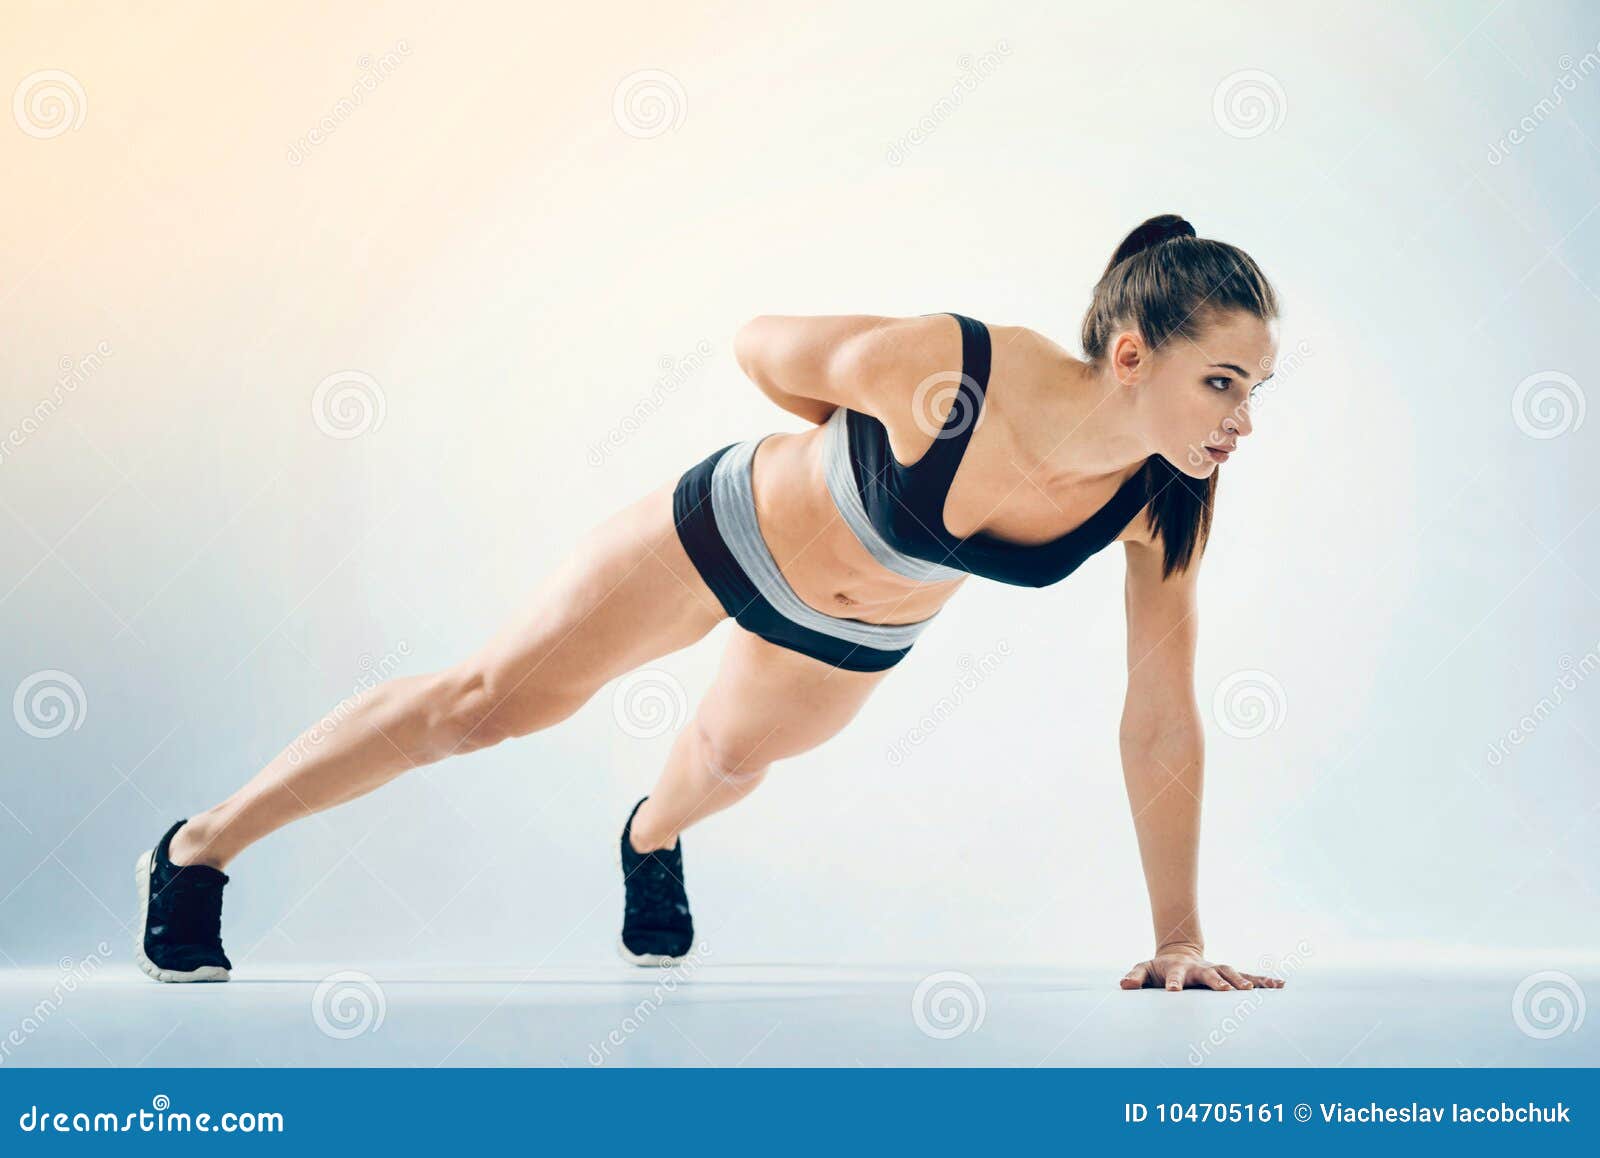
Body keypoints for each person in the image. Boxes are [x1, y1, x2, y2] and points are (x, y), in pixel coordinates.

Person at [135, 213, 1287, 995]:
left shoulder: (1164, 501)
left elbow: (1158, 718)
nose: (1239, 420)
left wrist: (1177, 938)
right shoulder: (955, 372)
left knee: (725, 766)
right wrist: (842, 457)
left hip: (855, 629)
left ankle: (649, 838)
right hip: (725, 531)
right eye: (1221, 383)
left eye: (1255, 390)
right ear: (1131, 356)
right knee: (486, 705)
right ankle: (199, 851)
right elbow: (761, 348)